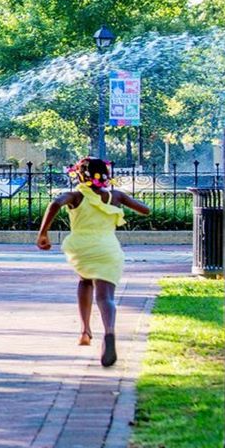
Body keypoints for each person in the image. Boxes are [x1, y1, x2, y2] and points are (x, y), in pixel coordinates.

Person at [36, 157, 150, 367]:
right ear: (105, 175)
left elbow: (55, 203)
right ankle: (109, 333)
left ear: (80, 175)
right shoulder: (115, 196)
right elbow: (145, 209)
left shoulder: (76, 196)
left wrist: (43, 233)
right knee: (106, 296)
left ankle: (85, 330)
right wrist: (120, 199)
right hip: (108, 247)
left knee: (85, 281)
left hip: (82, 247)